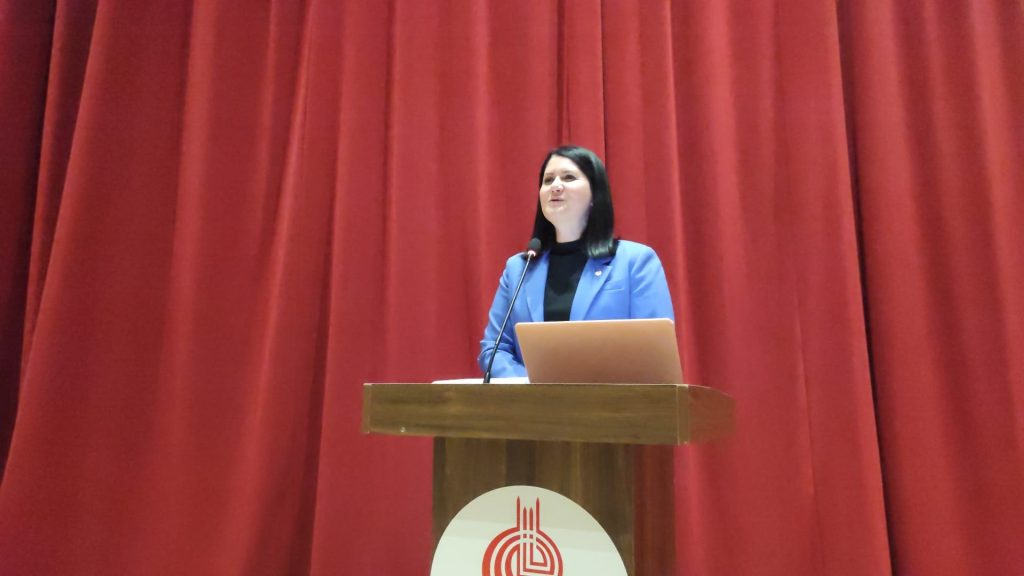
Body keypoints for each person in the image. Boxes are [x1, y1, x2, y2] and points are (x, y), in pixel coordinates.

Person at [478, 145, 675, 378]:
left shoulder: (636, 261)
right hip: (531, 399)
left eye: (568, 177)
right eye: (548, 180)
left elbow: (654, 352)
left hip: (613, 398)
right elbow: (494, 349)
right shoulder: (519, 269)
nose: (555, 186)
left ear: (595, 194)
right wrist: (532, 386)